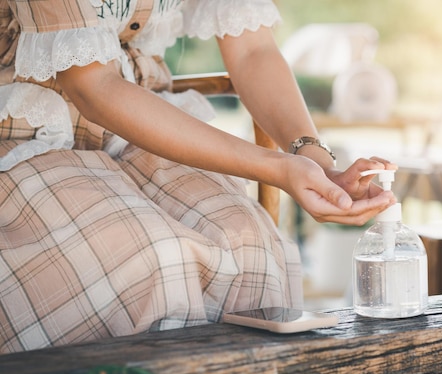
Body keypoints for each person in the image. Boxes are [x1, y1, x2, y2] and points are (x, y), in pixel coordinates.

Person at [0, 0, 396, 353]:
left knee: (250, 245)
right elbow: (92, 86)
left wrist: (316, 161)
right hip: (24, 133)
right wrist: (277, 169)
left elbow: (253, 49)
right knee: (154, 261)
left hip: (142, 127)